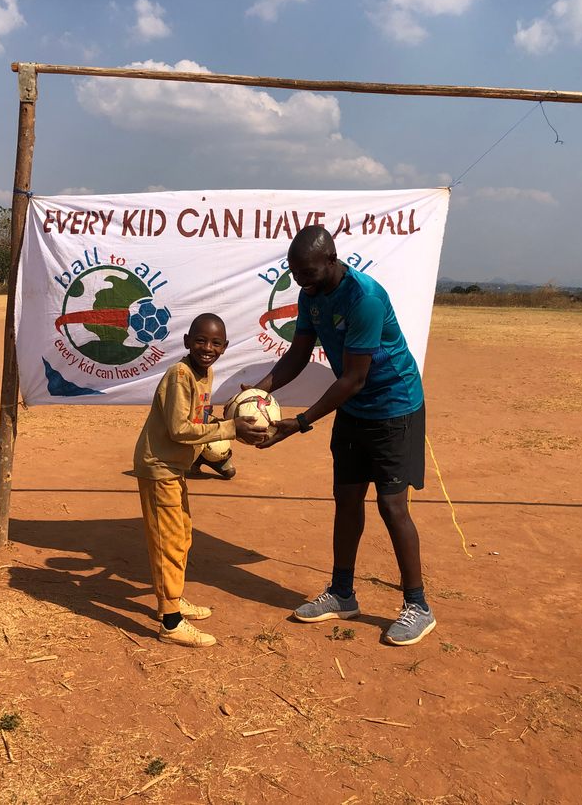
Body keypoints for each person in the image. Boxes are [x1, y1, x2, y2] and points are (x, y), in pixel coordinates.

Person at [252, 225, 435, 646]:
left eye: (308, 272)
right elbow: (298, 353)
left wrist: (300, 422)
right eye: (295, 273)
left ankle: (418, 605)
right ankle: (341, 593)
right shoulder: (310, 293)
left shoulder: (363, 299)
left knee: (391, 506)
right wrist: (260, 393)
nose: (301, 281)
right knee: (347, 499)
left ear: (332, 260)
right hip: (354, 410)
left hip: (394, 407)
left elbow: (354, 378)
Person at [133, 313, 265, 647]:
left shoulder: (205, 373)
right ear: (187, 342)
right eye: (201, 341)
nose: (208, 348)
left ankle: (172, 602)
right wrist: (231, 429)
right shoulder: (180, 376)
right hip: (159, 468)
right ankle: (170, 624)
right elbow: (179, 429)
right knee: (168, 542)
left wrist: (231, 416)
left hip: (173, 468)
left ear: (225, 347)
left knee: (182, 534)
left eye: (215, 343)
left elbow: (198, 418)